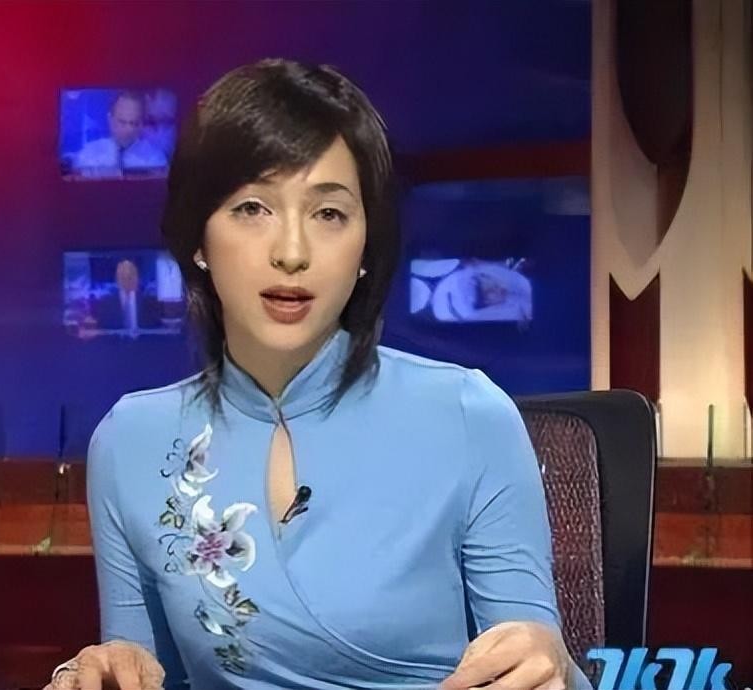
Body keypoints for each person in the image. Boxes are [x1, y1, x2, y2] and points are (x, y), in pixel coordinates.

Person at [46, 59, 592, 690]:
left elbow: (533, 666)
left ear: (365, 247)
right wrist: (93, 672)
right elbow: (141, 674)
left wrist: (549, 661)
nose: (292, 253)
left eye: (328, 214)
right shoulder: (132, 441)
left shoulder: (469, 417)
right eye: (253, 208)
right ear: (198, 238)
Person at [74, 90, 168, 179]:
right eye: (122, 122)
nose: (128, 130)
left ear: (142, 124)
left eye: (134, 123)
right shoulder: (88, 155)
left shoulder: (155, 159)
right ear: (110, 120)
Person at [93, 259, 161, 334]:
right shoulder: (106, 303)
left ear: (137, 278)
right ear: (117, 280)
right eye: (123, 277)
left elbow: (156, 329)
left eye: (131, 276)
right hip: (115, 341)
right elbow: (102, 330)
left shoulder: (149, 302)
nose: (128, 280)